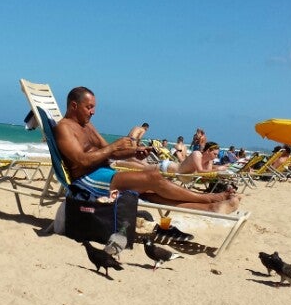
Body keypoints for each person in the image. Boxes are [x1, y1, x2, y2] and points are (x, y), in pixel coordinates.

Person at [53, 87, 240, 213]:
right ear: (74, 106)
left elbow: (113, 153)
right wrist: (113, 146)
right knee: (154, 178)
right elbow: (81, 160)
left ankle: (212, 208)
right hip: (88, 181)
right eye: (89, 107)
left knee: (151, 192)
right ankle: (210, 198)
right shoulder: (65, 128)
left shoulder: (88, 126)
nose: (93, 112)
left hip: (104, 173)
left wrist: (134, 152)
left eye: (93, 107)